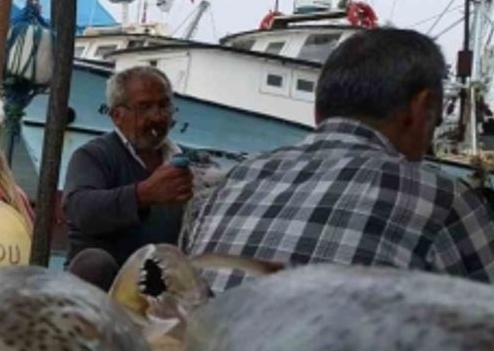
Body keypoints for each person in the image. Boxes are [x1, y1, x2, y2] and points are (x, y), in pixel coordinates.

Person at [184, 28, 494, 292]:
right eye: (436, 123)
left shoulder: (235, 179)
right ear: (421, 109)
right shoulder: (443, 200)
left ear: (318, 111)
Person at [62, 66, 192, 289]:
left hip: (158, 287)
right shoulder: (93, 156)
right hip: (103, 291)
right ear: (117, 116)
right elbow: (79, 209)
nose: (157, 117)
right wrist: (143, 194)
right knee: (95, 262)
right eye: (144, 107)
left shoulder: (182, 161)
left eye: (164, 106)